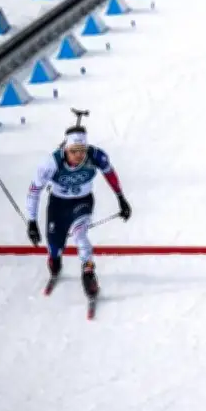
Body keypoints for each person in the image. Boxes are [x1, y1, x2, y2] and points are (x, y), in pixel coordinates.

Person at [26, 125, 132, 298]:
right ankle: (55, 258)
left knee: (80, 235)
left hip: (82, 202)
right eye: (74, 151)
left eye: (82, 150)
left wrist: (121, 198)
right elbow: (34, 191)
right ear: (65, 148)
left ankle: (88, 272)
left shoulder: (96, 156)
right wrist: (32, 221)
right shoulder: (50, 163)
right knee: (54, 246)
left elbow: (110, 174)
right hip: (58, 205)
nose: (79, 155)